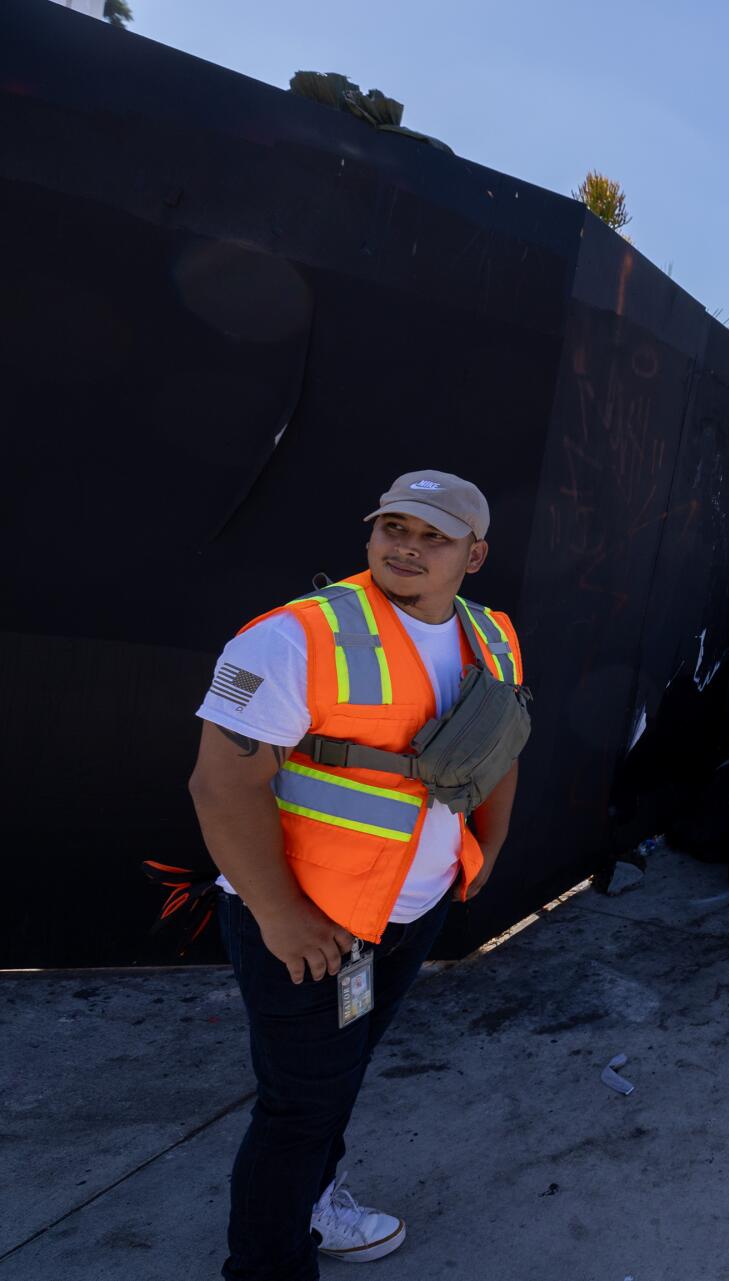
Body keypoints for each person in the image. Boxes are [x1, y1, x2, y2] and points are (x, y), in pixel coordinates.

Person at [188, 471, 527, 1280]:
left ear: (473, 555)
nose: (406, 545)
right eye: (394, 527)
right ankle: (269, 1265)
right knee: (298, 1107)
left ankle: (314, 1200)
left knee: (338, 1077)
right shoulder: (296, 636)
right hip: (309, 922)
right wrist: (279, 915)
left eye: (433, 535)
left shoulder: (493, 633)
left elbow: (501, 740)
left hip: (409, 910)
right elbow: (220, 784)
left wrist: (488, 847)